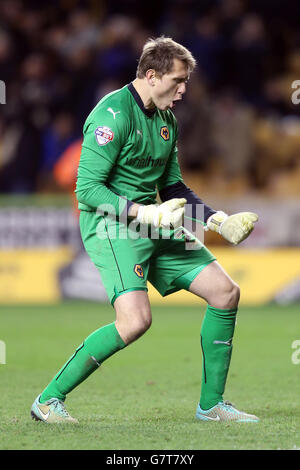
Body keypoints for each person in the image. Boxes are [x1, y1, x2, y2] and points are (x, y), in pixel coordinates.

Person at [31, 36, 259, 424]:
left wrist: (217, 219)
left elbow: (173, 188)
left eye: (186, 81)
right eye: (178, 81)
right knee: (135, 321)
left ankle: (211, 406)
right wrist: (146, 214)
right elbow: (86, 190)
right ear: (151, 76)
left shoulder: (167, 121)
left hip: (155, 221)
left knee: (225, 292)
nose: (184, 89)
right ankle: (48, 401)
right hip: (112, 226)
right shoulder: (111, 116)